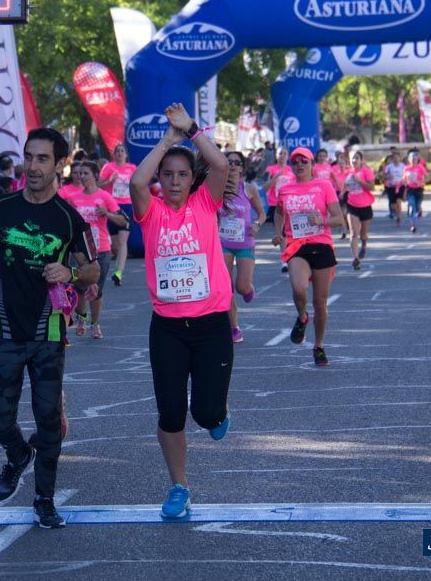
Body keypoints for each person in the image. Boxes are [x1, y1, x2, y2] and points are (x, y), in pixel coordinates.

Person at [0, 127, 99, 529]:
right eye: (28, 157)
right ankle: (18, 454)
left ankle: (44, 498)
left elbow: (92, 270)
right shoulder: (1, 208)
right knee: (1, 419)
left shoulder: (68, 218)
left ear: (59, 165)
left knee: (48, 419)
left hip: (47, 334)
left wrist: (69, 271)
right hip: (1, 330)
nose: (32, 166)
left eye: (42, 159)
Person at [130, 102, 232, 520]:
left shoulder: (205, 205)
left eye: (182, 175)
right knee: (171, 411)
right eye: (168, 175)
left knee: (205, 413)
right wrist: (166, 142)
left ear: (193, 180)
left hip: (210, 325)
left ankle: (217, 412)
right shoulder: (150, 212)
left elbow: (220, 162)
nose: (173, 181)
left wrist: (190, 130)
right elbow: (137, 180)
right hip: (168, 328)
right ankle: (179, 486)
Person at [272, 146, 344, 366]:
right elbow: (279, 212)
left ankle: (319, 345)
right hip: (297, 246)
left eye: (304, 161)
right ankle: (303, 317)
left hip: (321, 244)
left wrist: (321, 221)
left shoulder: (324, 186)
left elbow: (339, 218)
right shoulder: (285, 189)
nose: (300, 165)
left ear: (312, 164)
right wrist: (277, 233)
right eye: (295, 162)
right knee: (299, 288)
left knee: (320, 302)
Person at [65, 159, 125, 340]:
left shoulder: (104, 197)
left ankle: (95, 324)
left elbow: (123, 221)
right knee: (80, 287)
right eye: (79, 173)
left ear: (95, 176)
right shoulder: (72, 198)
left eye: (85, 173)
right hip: (79, 250)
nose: (81, 177)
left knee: (96, 289)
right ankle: (82, 318)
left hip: (101, 249)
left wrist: (106, 213)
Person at [219, 151, 265, 344]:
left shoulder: (249, 189)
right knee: (226, 287)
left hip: (245, 242)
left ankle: (248, 289)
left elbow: (261, 214)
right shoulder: (217, 188)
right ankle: (234, 327)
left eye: (237, 162)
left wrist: (257, 224)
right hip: (223, 244)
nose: (233, 165)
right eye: (229, 162)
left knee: (241, 286)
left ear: (242, 167)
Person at [99, 143, 136, 286]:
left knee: (122, 242)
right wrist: (109, 180)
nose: (120, 153)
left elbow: (138, 184)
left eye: (122, 151)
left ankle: (118, 273)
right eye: (117, 151)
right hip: (111, 206)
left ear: (126, 154)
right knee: (115, 244)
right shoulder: (108, 168)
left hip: (126, 206)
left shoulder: (132, 168)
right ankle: (117, 269)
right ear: (114, 154)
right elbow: (98, 186)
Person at [342, 150, 375, 270]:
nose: (354, 160)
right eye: (352, 158)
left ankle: (364, 245)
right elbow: (344, 187)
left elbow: (372, 187)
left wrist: (359, 180)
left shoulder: (366, 171)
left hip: (366, 206)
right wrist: (342, 193)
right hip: (352, 206)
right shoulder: (347, 173)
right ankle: (355, 258)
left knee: (363, 234)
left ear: (361, 160)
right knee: (353, 233)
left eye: (356, 158)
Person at [403, 151, 428, 234]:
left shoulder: (420, 167)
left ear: (418, 159)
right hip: (410, 189)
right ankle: (413, 225)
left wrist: (421, 181)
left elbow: (426, 176)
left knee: (417, 207)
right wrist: (404, 182)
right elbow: (404, 179)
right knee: (412, 207)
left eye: (415, 158)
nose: (414, 160)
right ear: (409, 160)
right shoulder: (406, 168)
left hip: (419, 189)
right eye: (412, 158)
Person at [382, 152, 406, 227]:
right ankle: (396, 213)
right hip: (391, 186)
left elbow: (407, 173)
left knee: (399, 201)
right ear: (392, 159)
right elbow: (384, 175)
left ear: (400, 158)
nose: (396, 159)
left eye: (397, 157)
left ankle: (399, 217)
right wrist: (388, 176)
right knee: (393, 205)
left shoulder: (403, 166)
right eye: (394, 158)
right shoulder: (389, 167)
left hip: (400, 186)